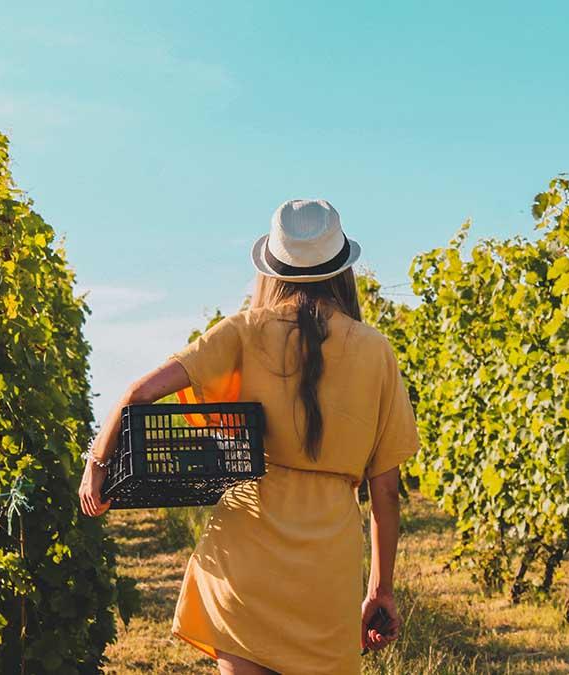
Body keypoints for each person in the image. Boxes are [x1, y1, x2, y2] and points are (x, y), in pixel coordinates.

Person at [79, 199, 419, 674]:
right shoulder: (376, 350)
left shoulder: (243, 330)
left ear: (273, 269)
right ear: (341, 269)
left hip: (245, 554)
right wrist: (380, 592)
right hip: (327, 570)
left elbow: (138, 393)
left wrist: (96, 465)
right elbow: (385, 493)